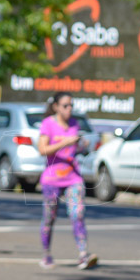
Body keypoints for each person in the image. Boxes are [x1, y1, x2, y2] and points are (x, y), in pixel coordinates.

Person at [36, 91, 97, 270]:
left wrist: (80, 145)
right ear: (56, 107)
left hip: (73, 177)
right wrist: (65, 142)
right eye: (65, 105)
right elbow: (42, 149)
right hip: (52, 179)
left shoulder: (74, 124)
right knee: (49, 218)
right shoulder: (48, 124)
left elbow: (73, 150)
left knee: (77, 214)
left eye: (71, 105)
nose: (69, 109)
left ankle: (83, 255)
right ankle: (46, 255)